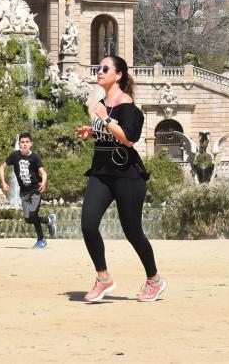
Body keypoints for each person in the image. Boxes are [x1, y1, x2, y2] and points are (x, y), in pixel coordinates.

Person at [74, 55, 164, 303]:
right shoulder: (102, 104)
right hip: (101, 172)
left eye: (106, 68)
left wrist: (104, 118)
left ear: (119, 75)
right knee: (88, 224)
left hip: (128, 175)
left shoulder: (128, 106)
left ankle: (154, 280)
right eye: (99, 68)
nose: (100, 71)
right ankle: (103, 277)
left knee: (133, 231)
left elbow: (129, 138)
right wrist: (92, 132)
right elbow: (110, 133)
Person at [0, 132, 57, 249]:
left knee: (33, 214)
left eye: (27, 142)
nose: (25, 144)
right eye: (22, 142)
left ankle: (41, 240)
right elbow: (1, 168)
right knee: (28, 219)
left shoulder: (35, 157)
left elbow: (43, 173)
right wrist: (3, 183)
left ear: (31, 143)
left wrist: (43, 182)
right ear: (19, 143)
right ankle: (49, 220)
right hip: (24, 192)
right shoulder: (14, 155)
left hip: (35, 191)